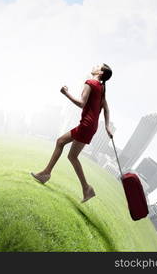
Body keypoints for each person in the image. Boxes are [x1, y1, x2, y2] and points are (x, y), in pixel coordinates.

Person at [30, 63, 113, 203]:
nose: (94, 66)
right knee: (71, 155)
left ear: (100, 72)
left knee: (61, 143)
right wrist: (106, 127)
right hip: (91, 126)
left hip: (86, 125)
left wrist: (65, 93)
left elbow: (82, 103)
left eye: (97, 65)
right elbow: (106, 109)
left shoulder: (91, 83)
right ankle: (86, 188)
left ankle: (47, 174)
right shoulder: (102, 88)